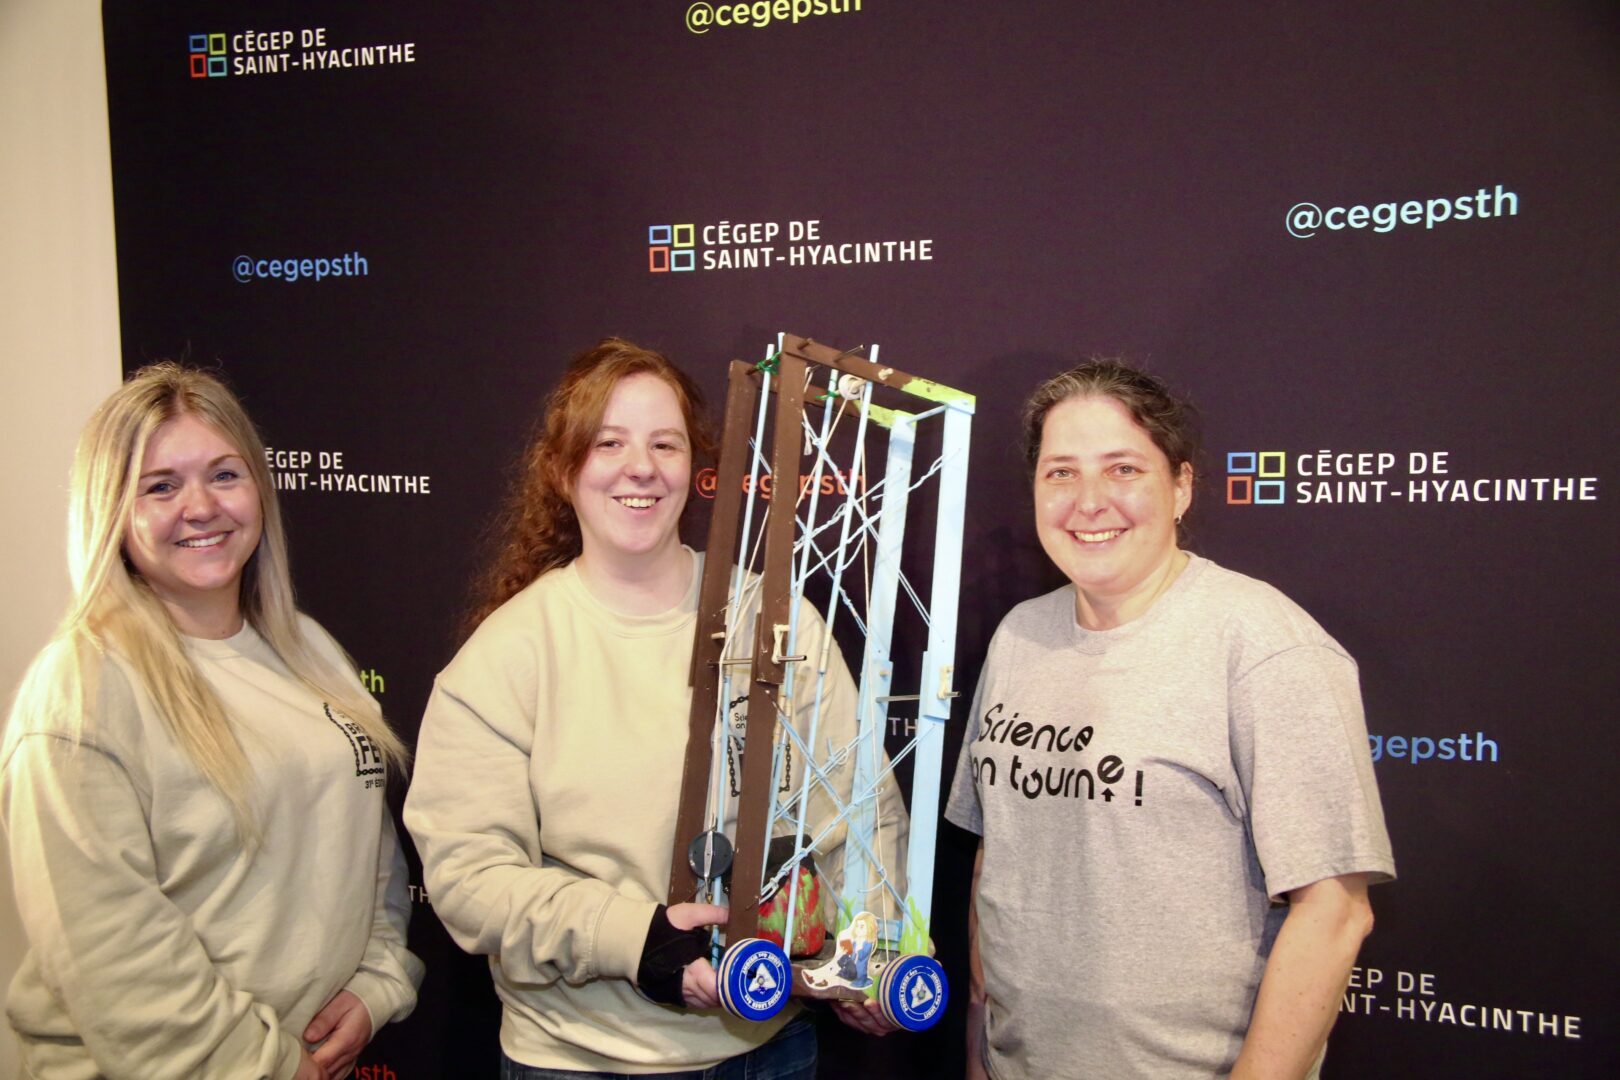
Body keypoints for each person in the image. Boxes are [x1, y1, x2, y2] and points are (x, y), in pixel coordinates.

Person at [404, 338, 906, 1079]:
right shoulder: (509, 654)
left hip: (767, 1050)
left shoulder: (775, 622)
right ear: (563, 468)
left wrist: (870, 943)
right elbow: (470, 879)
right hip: (580, 1061)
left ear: (695, 469)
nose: (640, 467)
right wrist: (635, 940)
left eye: (663, 443)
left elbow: (864, 810)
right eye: (609, 442)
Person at [946, 360, 1395, 1080]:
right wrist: (979, 1049)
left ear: (1181, 486)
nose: (1089, 502)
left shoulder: (1265, 646)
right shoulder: (1019, 637)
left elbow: (1335, 913)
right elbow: (998, 859)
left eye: (1123, 468)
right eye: (1061, 473)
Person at [2, 363, 423, 1079]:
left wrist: (377, 983)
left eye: (224, 475)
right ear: (112, 509)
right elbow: (113, 955)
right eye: (161, 485)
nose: (200, 507)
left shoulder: (310, 650)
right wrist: (267, 1066)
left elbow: (367, 855)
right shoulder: (82, 688)